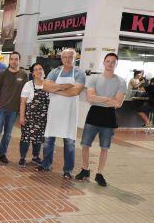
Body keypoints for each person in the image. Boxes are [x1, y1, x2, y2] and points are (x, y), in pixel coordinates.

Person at [75, 53, 126, 186]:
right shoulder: (94, 78)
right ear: (103, 62)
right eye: (108, 61)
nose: (110, 64)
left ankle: (99, 174)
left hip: (109, 117)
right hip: (94, 114)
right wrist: (108, 99)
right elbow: (89, 98)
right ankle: (85, 170)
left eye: (113, 62)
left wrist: (98, 98)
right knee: (85, 144)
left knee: (104, 147)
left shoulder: (121, 81)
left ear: (116, 64)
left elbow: (118, 103)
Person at [38, 48, 86, 179]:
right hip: (54, 112)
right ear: (61, 58)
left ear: (75, 58)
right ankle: (46, 164)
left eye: (70, 57)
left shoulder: (79, 73)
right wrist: (64, 86)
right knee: (48, 140)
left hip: (70, 113)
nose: (67, 59)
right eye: (65, 57)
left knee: (69, 142)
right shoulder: (55, 71)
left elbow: (75, 92)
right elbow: (46, 87)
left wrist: (56, 89)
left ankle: (68, 170)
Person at [0, 52, 28, 164]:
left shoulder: (23, 75)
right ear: (9, 60)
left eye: (16, 59)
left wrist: (22, 112)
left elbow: (25, 94)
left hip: (14, 110)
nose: (14, 61)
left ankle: (3, 154)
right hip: (1, 109)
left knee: (8, 134)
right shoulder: (2, 73)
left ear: (19, 61)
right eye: (12, 59)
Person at [18, 62, 50, 167]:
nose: (38, 71)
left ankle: (36, 157)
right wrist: (22, 117)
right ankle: (22, 157)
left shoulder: (48, 84)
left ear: (43, 71)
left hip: (43, 118)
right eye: (36, 69)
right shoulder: (28, 85)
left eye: (40, 69)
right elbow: (23, 102)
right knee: (26, 138)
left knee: (39, 138)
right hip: (30, 117)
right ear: (33, 73)